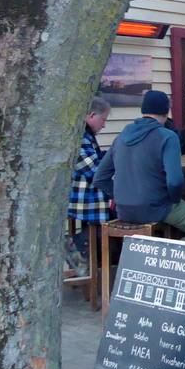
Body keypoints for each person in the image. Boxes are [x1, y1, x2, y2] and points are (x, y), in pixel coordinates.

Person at [94, 90, 185, 243]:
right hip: (156, 207)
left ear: (143, 111)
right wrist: (173, 200)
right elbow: (175, 181)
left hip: (124, 210)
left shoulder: (121, 138)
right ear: (166, 112)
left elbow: (100, 178)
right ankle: (167, 255)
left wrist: (120, 196)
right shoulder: (167, 137)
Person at [67, 96, 111, 270]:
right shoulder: (79, 137)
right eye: (103, 120)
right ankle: (76, 248)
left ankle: (92, 262)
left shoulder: (87, 136)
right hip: (85, 200)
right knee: (117, 217)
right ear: (92, 115)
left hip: (90, 198)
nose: (104, 125)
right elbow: (94, 170)